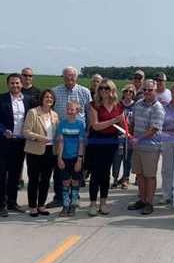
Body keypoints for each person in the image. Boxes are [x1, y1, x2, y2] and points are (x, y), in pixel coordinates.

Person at [47, 66, 91, 208]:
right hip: (60, 137)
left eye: (72, 76)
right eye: (66, 76)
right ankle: (60, 197)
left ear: (76, 77)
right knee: (60, 169)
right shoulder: (55, 91)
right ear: (63, 77)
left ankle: (75, 197)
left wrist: (88, 133)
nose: (69, 78)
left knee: (76, 170)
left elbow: (89, 114)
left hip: (78, 138)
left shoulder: (84, 92)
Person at [0, 73, 32, 217]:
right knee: (1, 174)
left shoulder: (28, 100)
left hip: (20, 143)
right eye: (12, 83)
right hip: (3, 143)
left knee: (15, 174)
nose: (15, 85)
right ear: (8, 85)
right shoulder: (0, 100)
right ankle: (1, 205)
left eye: (17, 83)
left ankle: (12, 202)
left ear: (21, 84)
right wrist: (3, 130)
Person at [86, 79, 125, 216]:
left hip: (111, 143)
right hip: (96, 142)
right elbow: (95, 125)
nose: (103, 91)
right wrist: (114, 121)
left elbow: (122, 124)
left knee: (106, 174)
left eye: (106, 88)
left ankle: (103, 202)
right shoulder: (93, 105)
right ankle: (92, 203)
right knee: (96, 174)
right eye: (101, 88)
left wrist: (125, 128)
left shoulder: (118, 106)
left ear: (112, 90)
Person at [127, 79, 165, 215]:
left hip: (150, 147)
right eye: (145, 90)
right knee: (140, 175)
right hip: (137, 146)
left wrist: (138, 138)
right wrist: (130, 134)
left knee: (150, 176)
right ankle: (142, 200)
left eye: (150, 90)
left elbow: (154, 129)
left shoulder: (158, 107)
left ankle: (149, 203)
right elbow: (133, 122)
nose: (147, 92)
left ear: (155, 91)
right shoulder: (138, 104)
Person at [23, 89, 59, 217]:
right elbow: (26, 132)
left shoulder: (54, 115)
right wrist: (40, 138)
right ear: (41, 99)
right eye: (46, 97)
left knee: (45, 179)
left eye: (51, 97)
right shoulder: (33, 112)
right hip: (35, 150)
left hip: (50, 151)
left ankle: (41, 205)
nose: (49, 99)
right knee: (33, 179)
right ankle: (32, 206)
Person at [55, 101, 86, 217]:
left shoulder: (80, 125)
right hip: (65, 158)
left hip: (76, 158)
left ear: (77, 111)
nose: (70, 111)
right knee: (65, 182)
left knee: (75, 182)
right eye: (68, 109)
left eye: (72, 109)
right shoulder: (62, 124)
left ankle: (73, 205)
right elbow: (61, 142)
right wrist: (59, 158)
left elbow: (81, 144)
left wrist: (79, 159)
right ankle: (65, 205)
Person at [111, 84, 136, 189]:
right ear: (123, 93)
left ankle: (125, 178)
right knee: (117, 158)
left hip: (130, 136)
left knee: (128, 159)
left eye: (131, 92)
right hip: (118, 136)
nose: (128, 93)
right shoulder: (117, 105)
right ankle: (115, 178)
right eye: (126, 91)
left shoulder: (136, 105)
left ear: (133, 94)